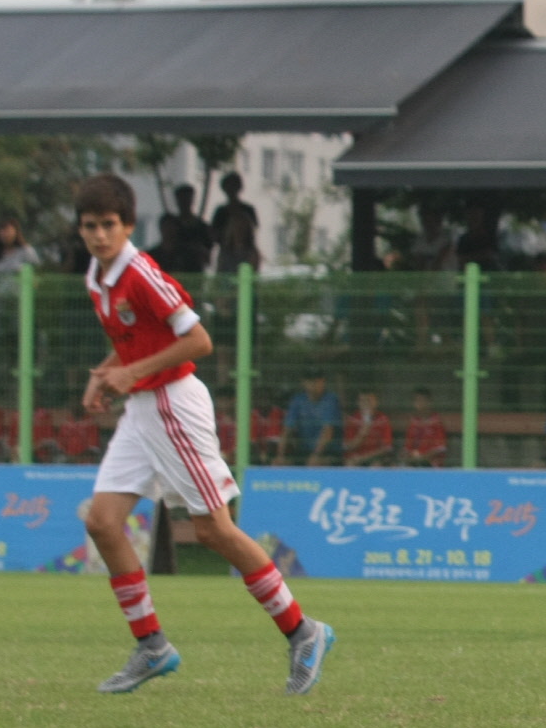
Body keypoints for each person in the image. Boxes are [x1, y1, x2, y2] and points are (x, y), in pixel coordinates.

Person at [70, 173, 333, 696]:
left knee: (213, 531)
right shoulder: (96, 278)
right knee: (103, 522)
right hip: (142, 409)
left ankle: (304, 631)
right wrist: (107, 374)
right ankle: (151, 646)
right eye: (89, 226)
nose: (99, 235)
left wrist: (131, 373)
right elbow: (133, 342)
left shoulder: (141, 273)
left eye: (108, 225)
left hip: (173, 405)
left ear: (127, 226)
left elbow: (198, 340)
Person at [280, 371, 342, 464]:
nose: (315, 384)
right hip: (303, 451)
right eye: (311, 381)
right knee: (279, 465)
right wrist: (280, 455)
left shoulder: (331, 399)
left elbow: (327, 431)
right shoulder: (298, 400)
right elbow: (287, 430)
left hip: (328, 452)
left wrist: (316, 455)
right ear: (303, 382)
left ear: (323, 381)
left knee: (315, 464)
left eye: (318, 381)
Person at [155, 184, 213, 276]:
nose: (184, 203)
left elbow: (207, 253)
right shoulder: (173, 224)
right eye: (182, 199)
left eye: (187, 199)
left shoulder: (202, 227)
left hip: (194, 271)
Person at [211, 171, 260, 272]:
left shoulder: (248, 210)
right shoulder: (221, 212)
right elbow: (214, 235)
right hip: (227, 253)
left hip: (246, 253)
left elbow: (254, 229)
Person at [344, 388, 394, 466]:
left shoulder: (383, 420)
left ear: (376, 402)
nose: (366, 404)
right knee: (349, 464)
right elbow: (349, 446)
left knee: (376, 466)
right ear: (358, 403)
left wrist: (364, 458)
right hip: (355, 458)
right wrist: (362, 432)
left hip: (374, 458)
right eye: (363, 401)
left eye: (369, 401)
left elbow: (386, 448)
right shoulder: (353, 420)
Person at [403, 388, 449, 467]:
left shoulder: (436, 421)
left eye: (422, 400)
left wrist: (422, 457)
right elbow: (408, 446)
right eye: (417, 400)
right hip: (414, 461)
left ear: (429, 402)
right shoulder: (414, 422)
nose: (420, 403)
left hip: (431, 463)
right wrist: (408, 455)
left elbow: (440, 448)